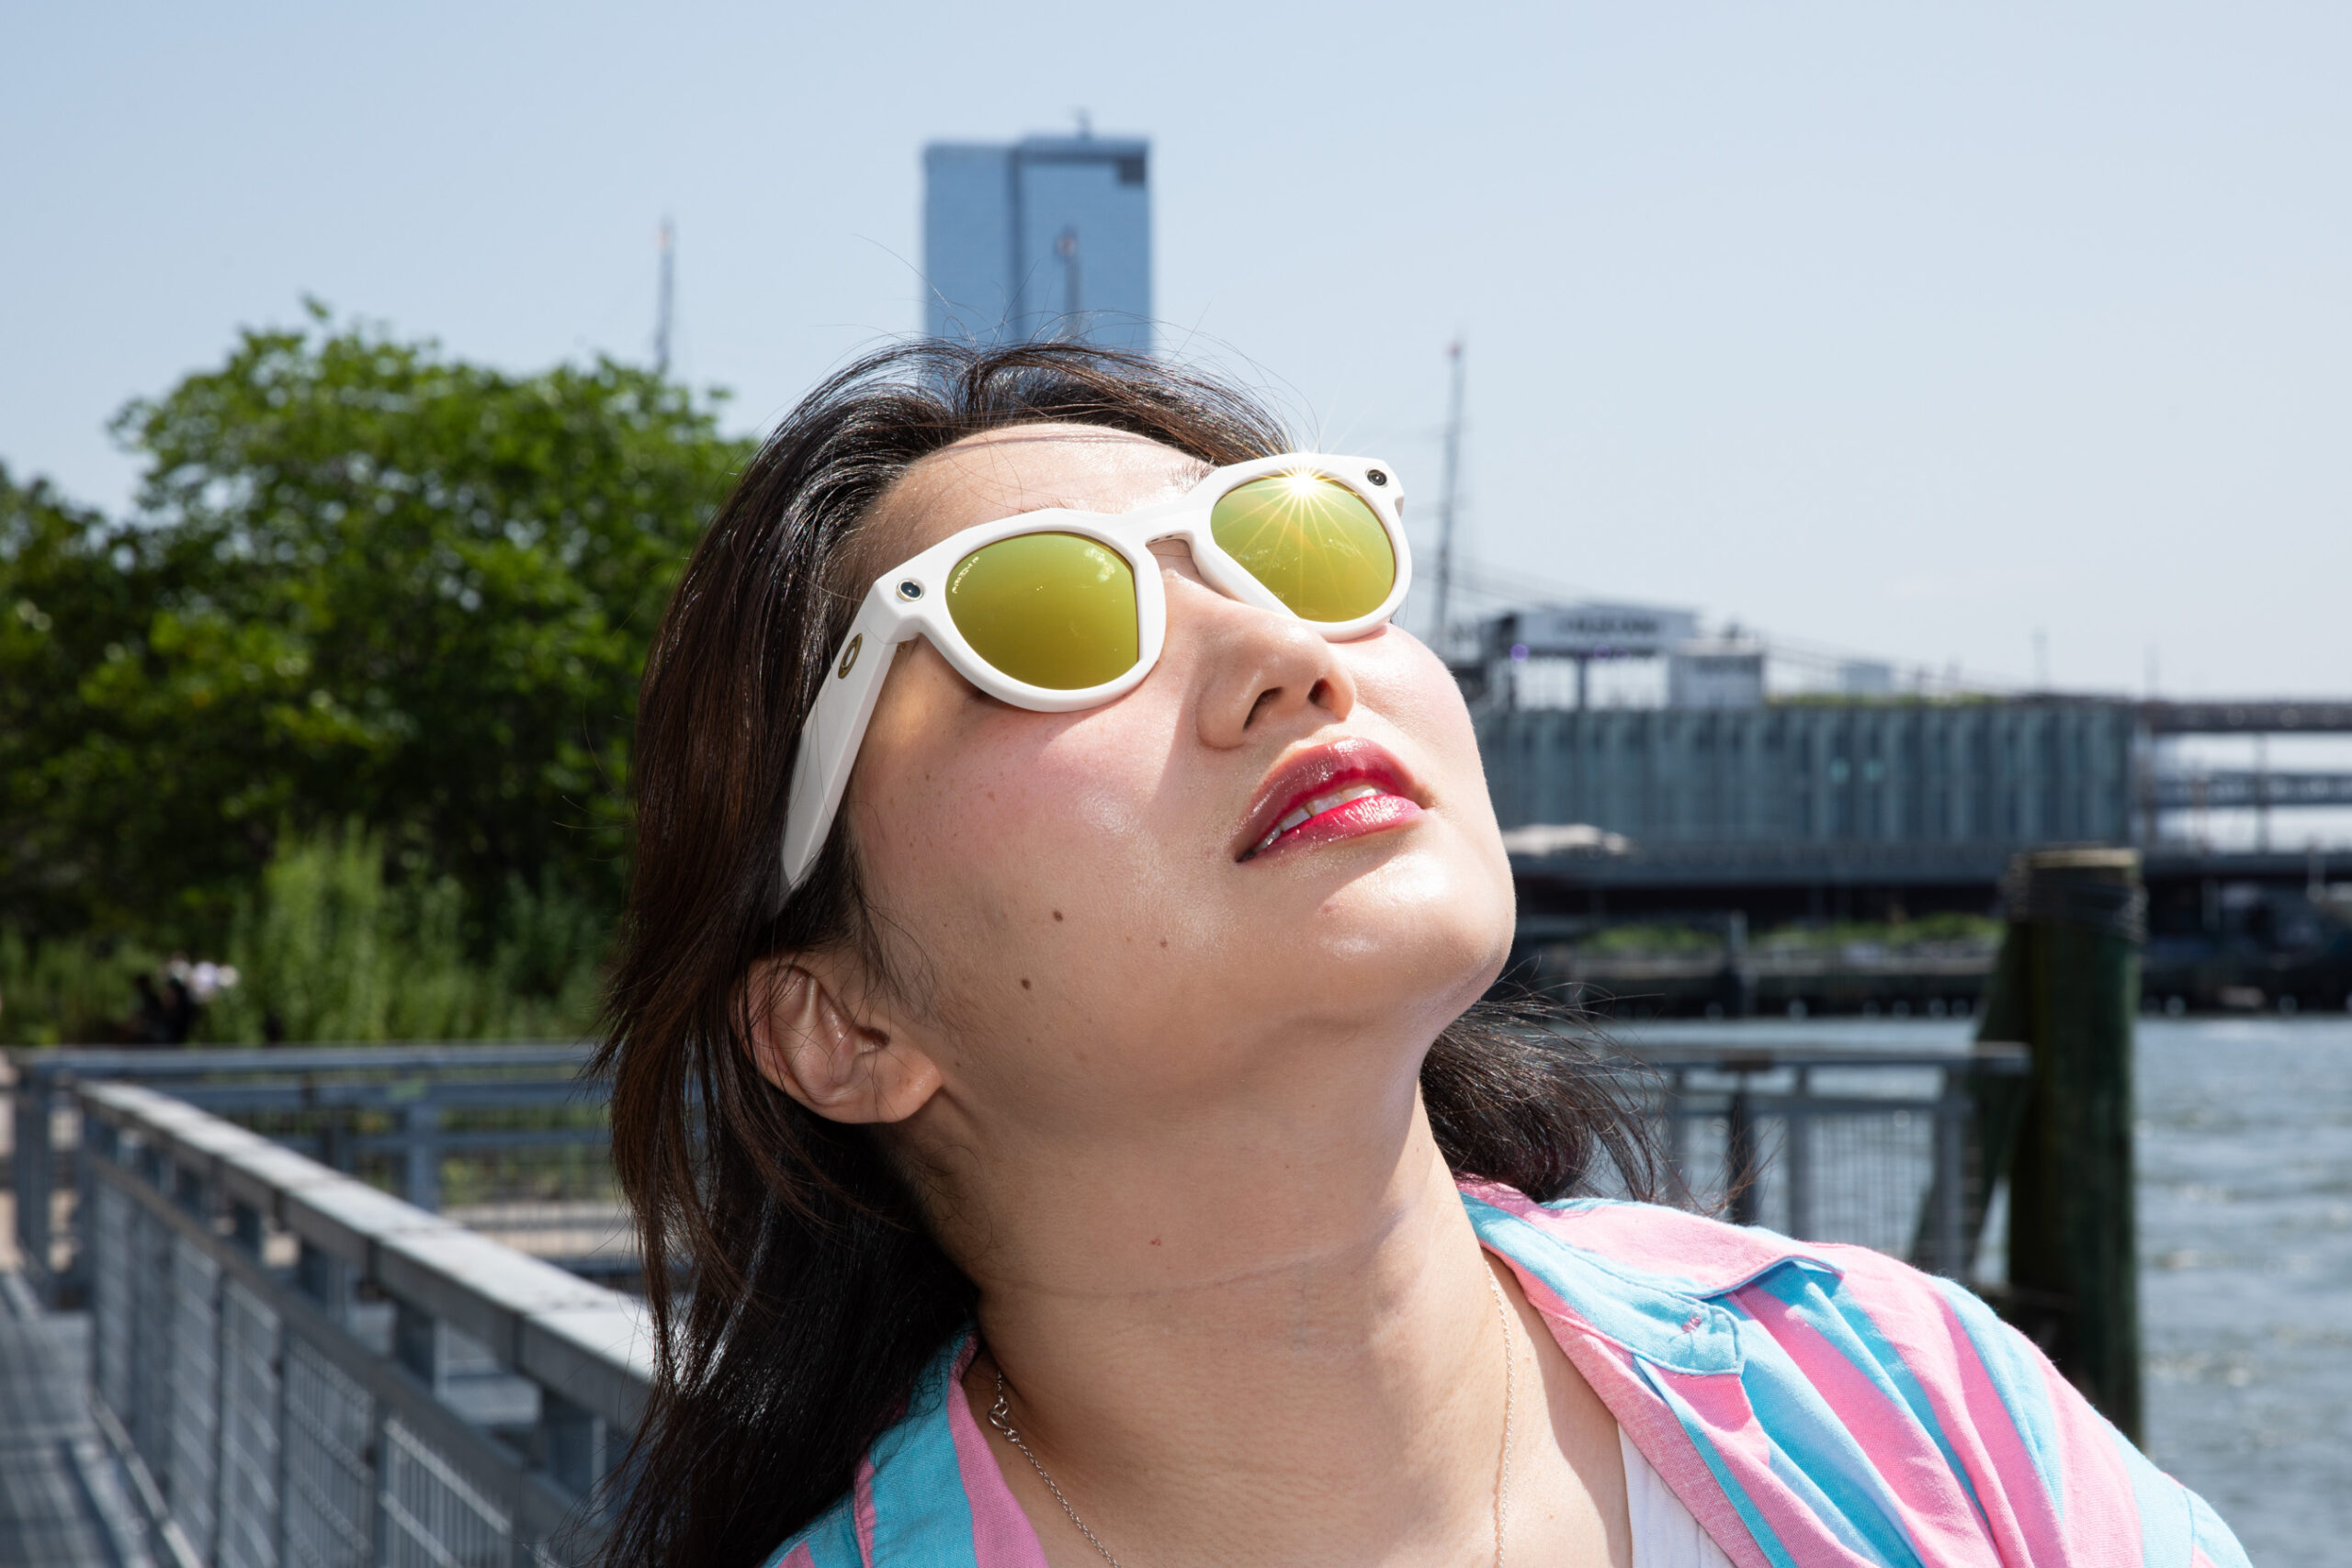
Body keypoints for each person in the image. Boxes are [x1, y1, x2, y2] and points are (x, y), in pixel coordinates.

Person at [595, 343, 2247, 1568]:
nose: (1283, 653)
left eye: (1297, 546)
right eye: (1040, 619)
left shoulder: (1905, 1400)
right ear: (837, 1025)